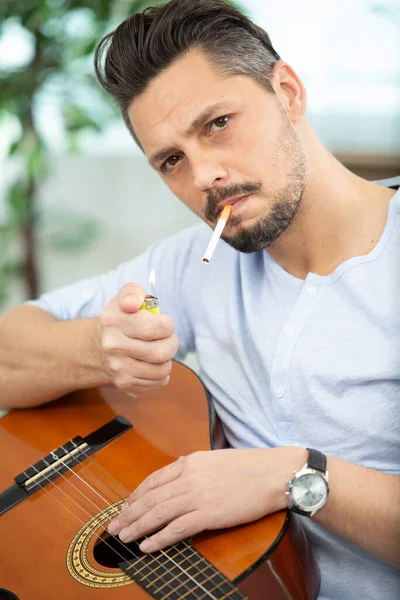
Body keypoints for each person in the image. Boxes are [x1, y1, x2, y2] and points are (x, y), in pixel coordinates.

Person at [0, 0, 399, 597]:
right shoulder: (190, 265)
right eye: (171, 160)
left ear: (287, 91)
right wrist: (97, 348)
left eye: (217, 124)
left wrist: (291, 477)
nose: (204, 175)